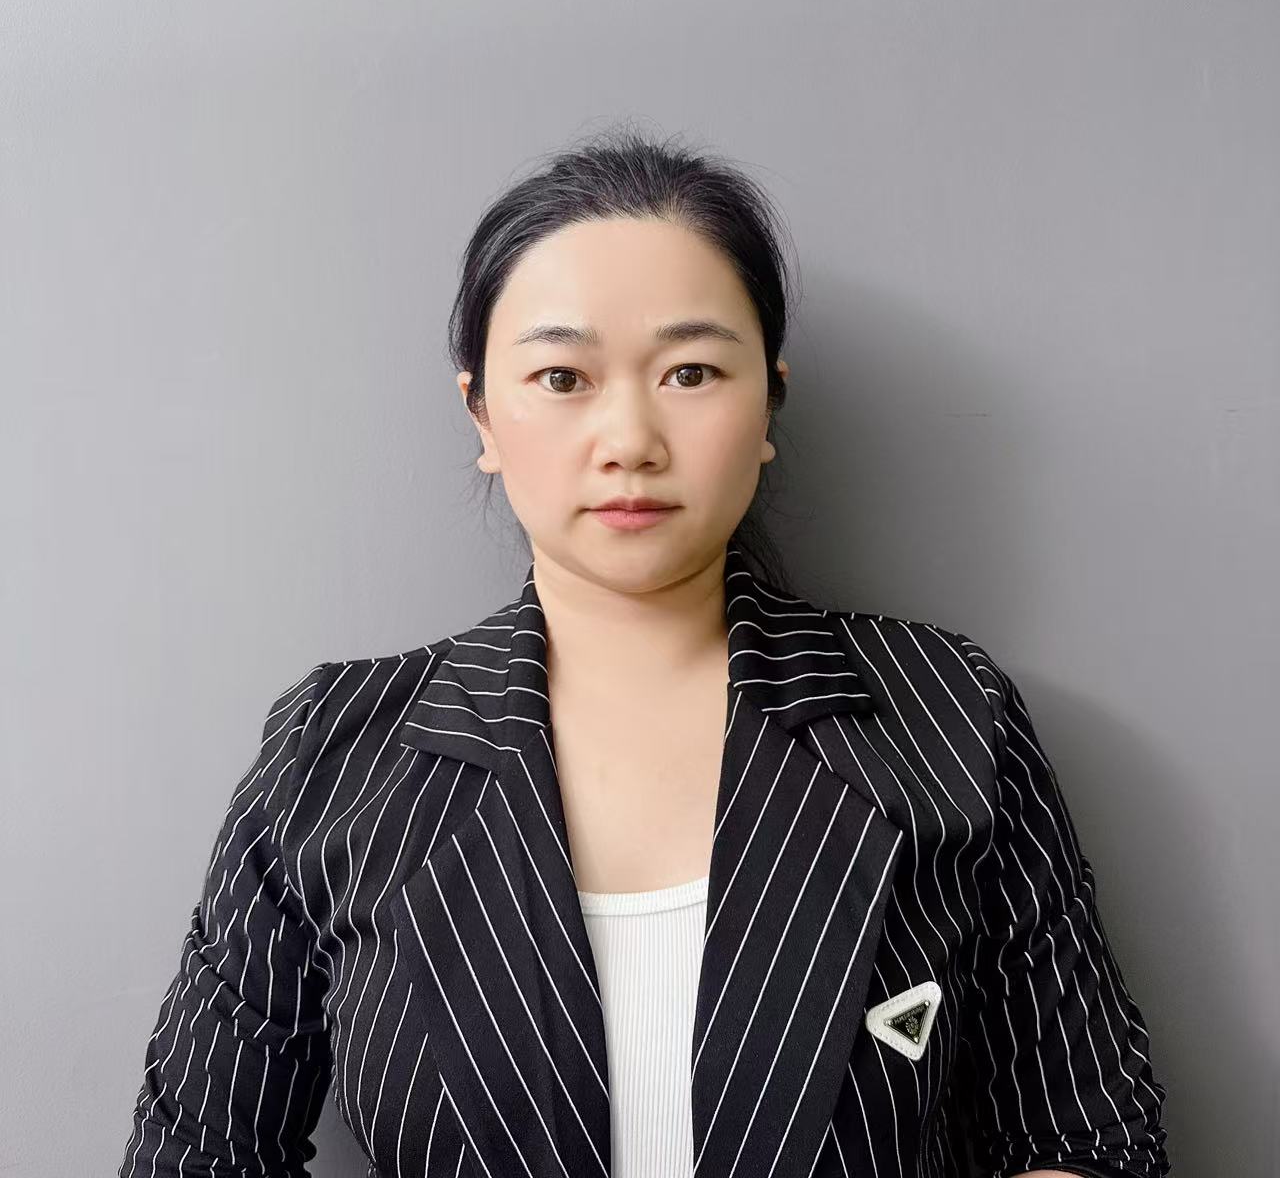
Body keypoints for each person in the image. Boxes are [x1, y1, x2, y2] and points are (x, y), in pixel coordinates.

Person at [118, 125, 1171, 1178]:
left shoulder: (942, 712)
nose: (629, 438)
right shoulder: (336, 756)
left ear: (768, 399)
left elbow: (1088, 1136)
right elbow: (194, 1155)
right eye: (561, 376)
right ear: (481, 413)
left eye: (690, 371)